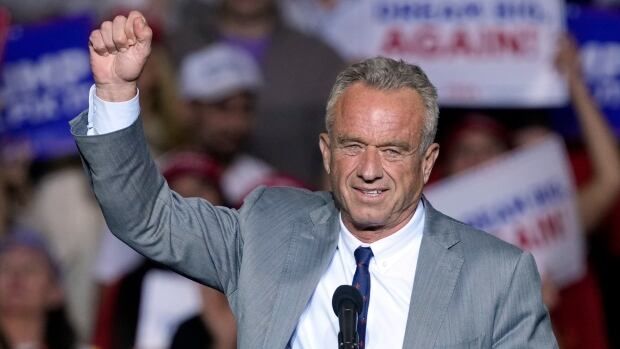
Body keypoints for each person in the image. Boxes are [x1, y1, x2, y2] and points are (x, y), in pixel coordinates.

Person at [74, 11, 557, 348]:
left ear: (428, 162)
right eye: (353, 146)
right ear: (326, 152)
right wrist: (116, 93)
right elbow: (147, 218)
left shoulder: (497, 276)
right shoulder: (267, 229)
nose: (370, 170)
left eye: (392, 150)